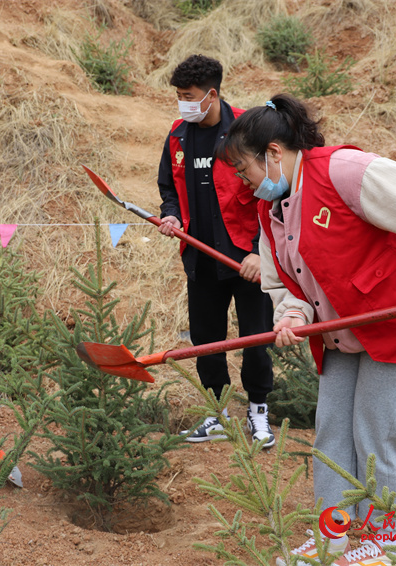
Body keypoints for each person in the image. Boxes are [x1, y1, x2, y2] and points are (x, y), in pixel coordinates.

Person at [219, 93, 396, 566]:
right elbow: (286, 285)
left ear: (273, 153)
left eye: (243, 167)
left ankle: (383, 544)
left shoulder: (345, 173)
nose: (242, 181)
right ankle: (332, 540)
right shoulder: (271, 213)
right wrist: (293, 316)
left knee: (377, 435)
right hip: (345, 332)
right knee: (331, 434)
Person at [156, 54, 276, 447]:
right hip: (200, 257)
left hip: (247, 259)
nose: (183, 103)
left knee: (256, 337)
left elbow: (272, 193)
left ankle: (258, 414)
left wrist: (261, 252)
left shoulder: (246, 130)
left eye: (188, 96)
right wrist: (171, 216)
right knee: (207, 339)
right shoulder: (177, 136)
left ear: (212, 94)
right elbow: (168, 188)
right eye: (178, 96)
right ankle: (218, 414)